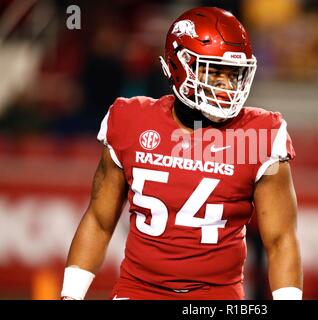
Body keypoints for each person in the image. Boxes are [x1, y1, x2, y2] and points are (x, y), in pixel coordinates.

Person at [61, 7, 303, 300]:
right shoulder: (130, 120)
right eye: (214, 71)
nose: (226, 85)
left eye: (233, 74)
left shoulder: (259, 135)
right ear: (178, 66)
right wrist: (70, 295)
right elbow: (100, 220)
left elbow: (280, 240)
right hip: (139, 291)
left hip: (217, 297)